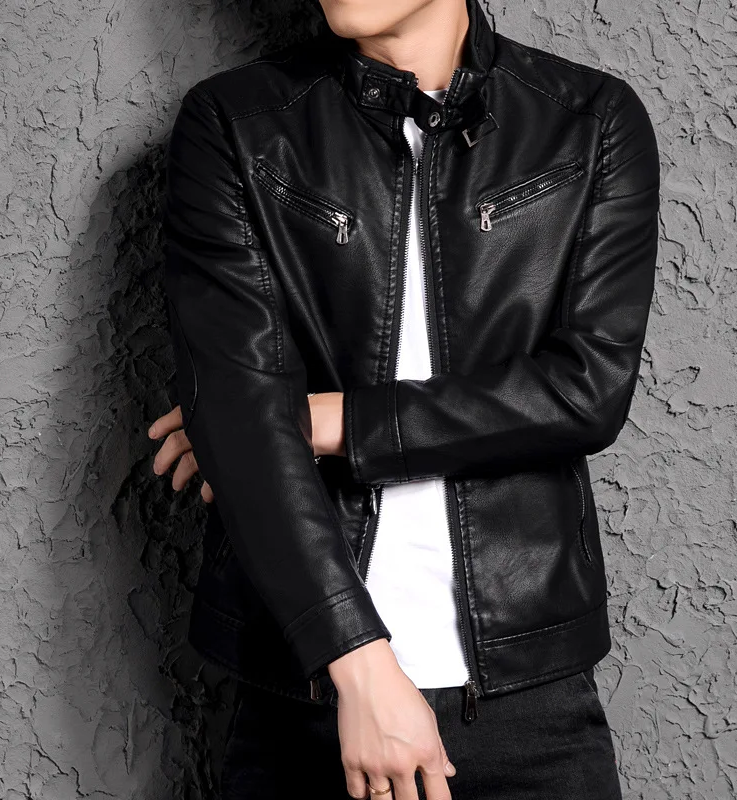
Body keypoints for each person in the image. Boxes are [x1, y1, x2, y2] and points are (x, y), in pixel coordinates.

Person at [151, 0, 660, 796]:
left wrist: (329, 420)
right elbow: (237, 411)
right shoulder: (238, 123)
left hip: (530, 702)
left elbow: (587, 390)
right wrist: (359, 668)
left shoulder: (589, 121)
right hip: (308, 695)